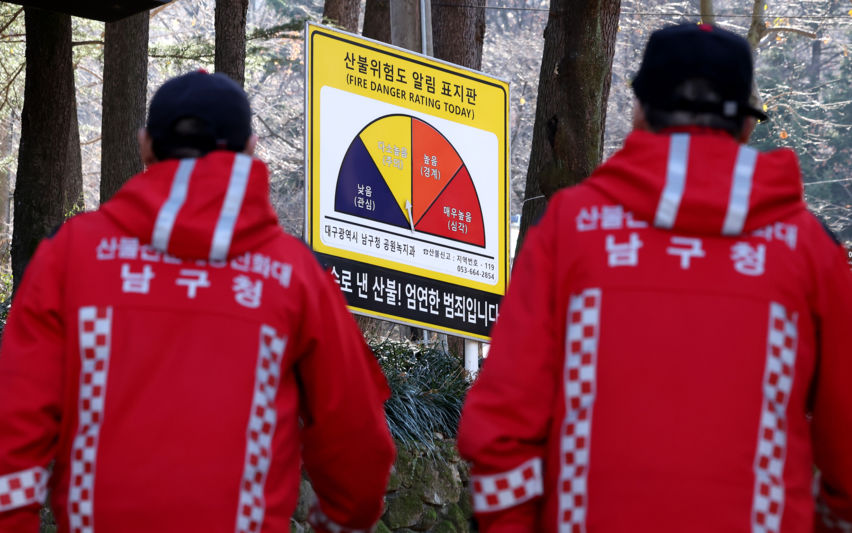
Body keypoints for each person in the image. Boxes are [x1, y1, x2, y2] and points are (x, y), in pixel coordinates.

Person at [457, 23, 852, 532]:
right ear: (746, 125)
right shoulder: (810, 248)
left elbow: (503, 421)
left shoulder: (570, 227)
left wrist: (510, 523)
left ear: (640, 111)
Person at [0, 71, 395, 532]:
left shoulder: (71, 254)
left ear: (146, 146)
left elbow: (14, 418)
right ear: (251, 149)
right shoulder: (296, 274)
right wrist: (339, 521)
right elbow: (356, 435)